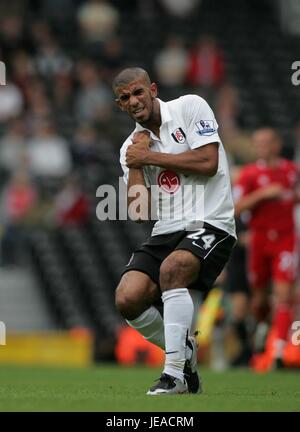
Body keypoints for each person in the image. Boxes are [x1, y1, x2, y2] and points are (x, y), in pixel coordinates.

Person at [113, 67, 236, 395]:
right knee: (128, 297)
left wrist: (150, 155)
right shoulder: (131, 148)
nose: (134, 101)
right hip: (166, 228)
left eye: (138, 92)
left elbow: (209, 162)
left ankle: (174, 375)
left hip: (210, 219)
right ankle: (186, 351)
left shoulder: (190, 106)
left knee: (172, 270)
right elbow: (140, 213)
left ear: (152, 89)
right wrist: (137, 163)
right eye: (125, 98)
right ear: (120, 105)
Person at [234, 127, 300, 368]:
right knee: (259, 299)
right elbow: (236, 207)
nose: (263, 146)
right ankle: (262, 326)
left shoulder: (291, 171)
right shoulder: (249, 174)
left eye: (267, 142)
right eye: (259, 142)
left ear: (277, 144)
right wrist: (263, 194)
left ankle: (279, 353)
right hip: (259, 240)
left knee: (284, 295)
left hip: (286, 238)